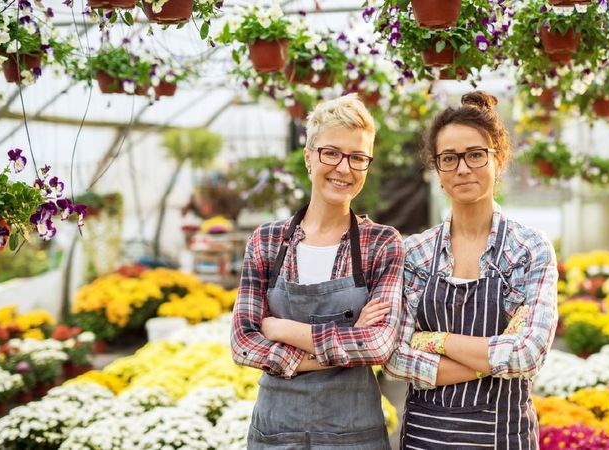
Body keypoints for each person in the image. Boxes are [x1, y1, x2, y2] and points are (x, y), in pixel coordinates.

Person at [383, 91, 559, 449]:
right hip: (424, 438)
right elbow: (395, 359)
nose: (463, 168)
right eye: (449, 158)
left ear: (500, 159)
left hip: (502, 437)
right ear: (437, 169)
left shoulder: (528, 250)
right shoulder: (413, 254)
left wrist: (435, 341)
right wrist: (494, 357)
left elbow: (528, 355)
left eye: (476, 155)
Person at [231, 94, 402, 449]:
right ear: (309, 157)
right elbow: (243, 343)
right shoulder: (267, 240)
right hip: (276, 433)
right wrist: (348, 336)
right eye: (331, 153)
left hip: (354, 435)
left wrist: (282, 329)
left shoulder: (381, 243)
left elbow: (379, 345)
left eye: (358, 157)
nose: (344, 168)